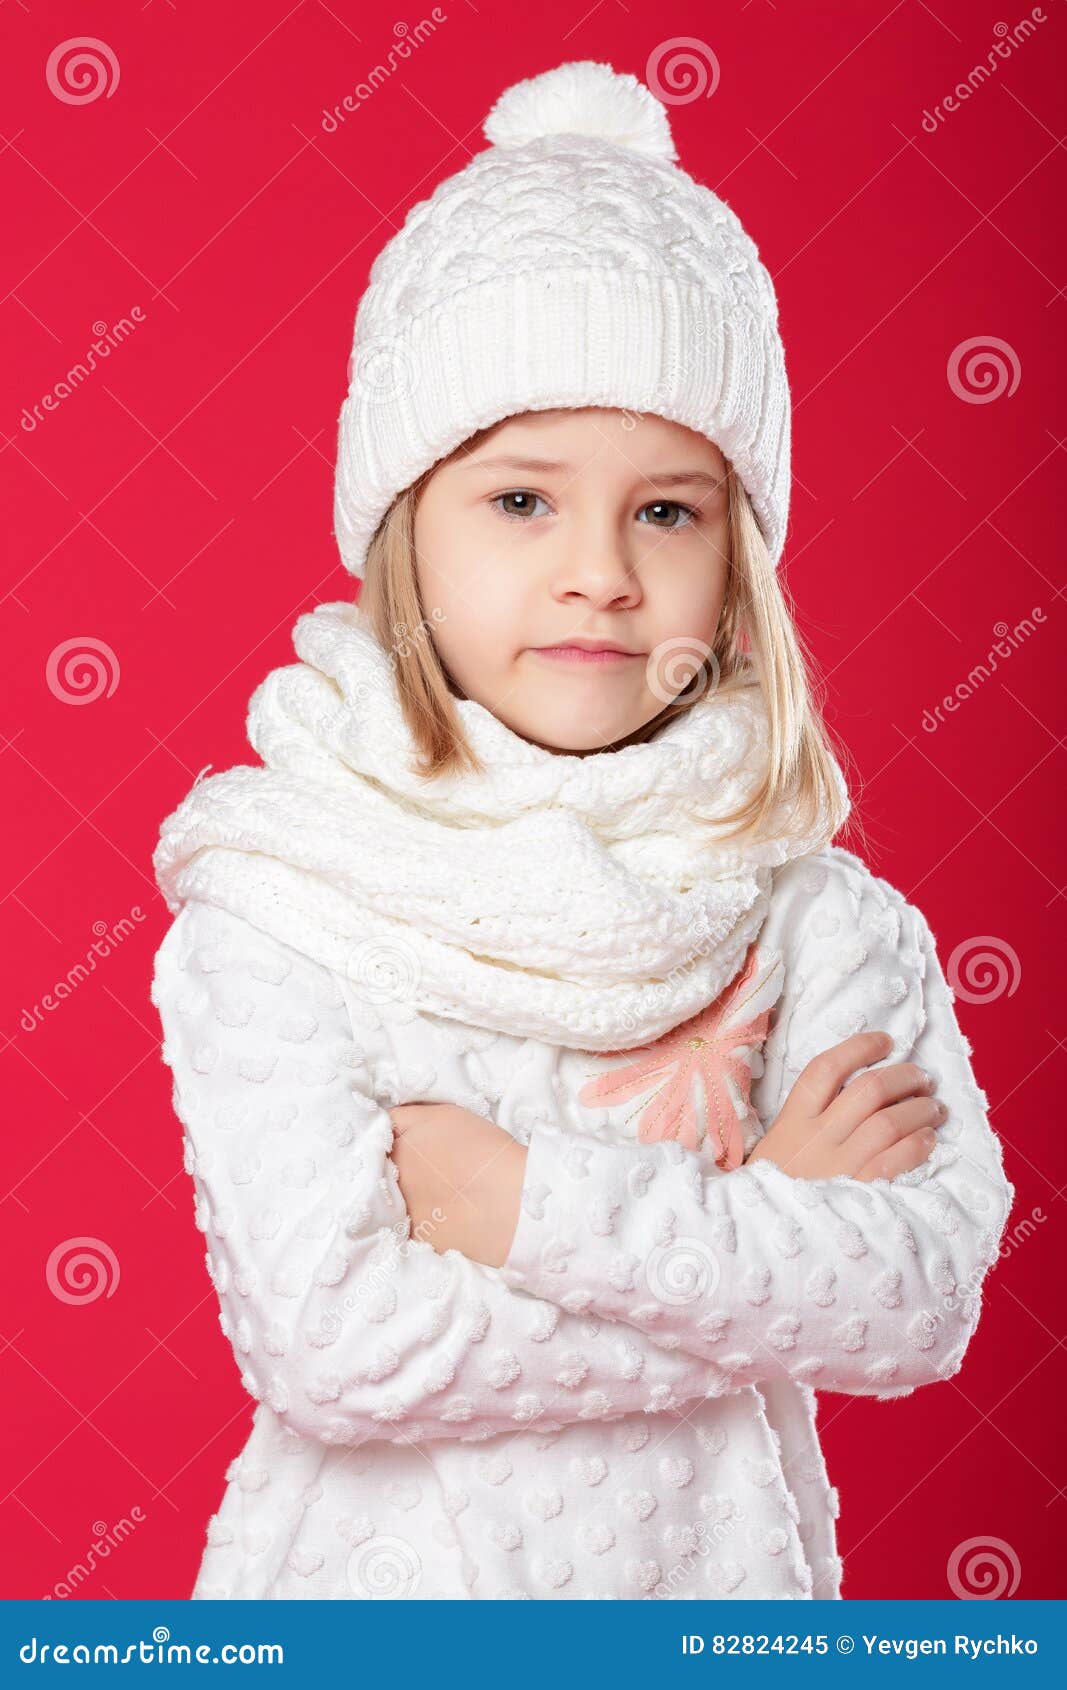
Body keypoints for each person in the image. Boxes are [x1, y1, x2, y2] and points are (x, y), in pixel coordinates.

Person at [149, 60, 1015, 1601]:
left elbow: (918, 1297)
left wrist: (521, 1206)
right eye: (523, 500)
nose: (601, 572)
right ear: (408, 524)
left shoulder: (819, 921)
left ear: (739, 556)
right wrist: (760, 1237)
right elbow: (337, 1347)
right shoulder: (286, 898)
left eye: (667, 511)